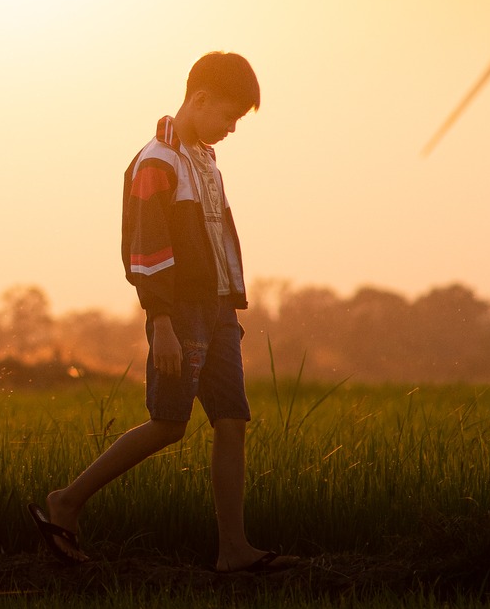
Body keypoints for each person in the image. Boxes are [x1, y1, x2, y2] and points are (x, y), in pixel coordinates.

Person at [29, 51, 302, 574]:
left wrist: (230, 306)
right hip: (180, 313)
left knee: (232, 420)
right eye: (229, 115)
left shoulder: (205, 160)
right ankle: (67, 500)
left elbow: (217, 240)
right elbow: (146, 247)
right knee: (169, 423)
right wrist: (162, 322)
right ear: (198, 100)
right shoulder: (157, 161)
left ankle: (233, 550)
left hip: (218, 310)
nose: (232, 128)